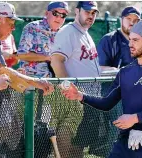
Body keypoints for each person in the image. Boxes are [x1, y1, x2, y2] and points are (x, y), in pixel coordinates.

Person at [60, 19, 142, 158]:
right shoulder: (125, 72)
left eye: (135, 40)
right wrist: (80, 96)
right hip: (125, 138)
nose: (130, 44)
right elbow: (107, 103)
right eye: (130, 40)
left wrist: (135, 118)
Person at [0, 2, 54, 157]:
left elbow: (1, 73)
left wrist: (20, 77)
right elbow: (1, 71)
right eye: (11, 23)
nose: (13, 28)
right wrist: (36, 82)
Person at [50, 1, 109, 157]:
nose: (91, 15)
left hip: (86, 97)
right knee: (67, 138)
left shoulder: (85, 33)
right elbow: (56, 60)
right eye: (87, 11)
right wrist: (67, 86)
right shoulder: (68, 31)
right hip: (73, 95)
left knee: (79, 144)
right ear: (77, 11)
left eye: (94, 13)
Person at [15, 2, 69, 157]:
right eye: (56, 13)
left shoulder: (64, 33)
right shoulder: (33, 28)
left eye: (63, 15)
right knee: (27, 132)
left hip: (53, 90)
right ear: (47, 13)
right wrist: (48, 58)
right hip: (31, 88)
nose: (59, 17)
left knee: (46, 131)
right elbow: (22, 54)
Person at [97, 6, 140, 70]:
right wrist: (117, 71)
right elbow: (99, 69)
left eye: (135, 20)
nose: (132, 23)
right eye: (128, 19)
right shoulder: (109, 40)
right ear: (121, 20)